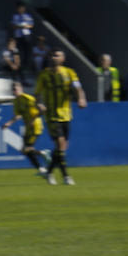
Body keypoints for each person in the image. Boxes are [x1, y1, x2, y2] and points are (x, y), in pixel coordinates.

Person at [33, 49, 86, 185]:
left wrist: (81, 99)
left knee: (62, 147)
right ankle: (66, 177)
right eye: (52, 55)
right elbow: (37, 94)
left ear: (63, 59)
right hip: (51, 115)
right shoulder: (44, 75)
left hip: (66, 115)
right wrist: (39, 104)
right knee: (60, 144)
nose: (54, 57)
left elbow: (78, 88)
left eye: (57, 55)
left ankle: (49, 172)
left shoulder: (69, 73)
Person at [1, 76, 51, 176]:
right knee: (24, 150)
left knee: (27, 149)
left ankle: (42, 169)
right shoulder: (16, 102)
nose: (15, 91)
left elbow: (42, 109)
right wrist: (9, 123)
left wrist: (33, 119)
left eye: (16, 89)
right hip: (28, 127)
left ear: (21, 89)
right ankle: (43, 155)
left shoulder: (28, 98)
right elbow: (18, 115)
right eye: (13, 90)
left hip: (35, 126)